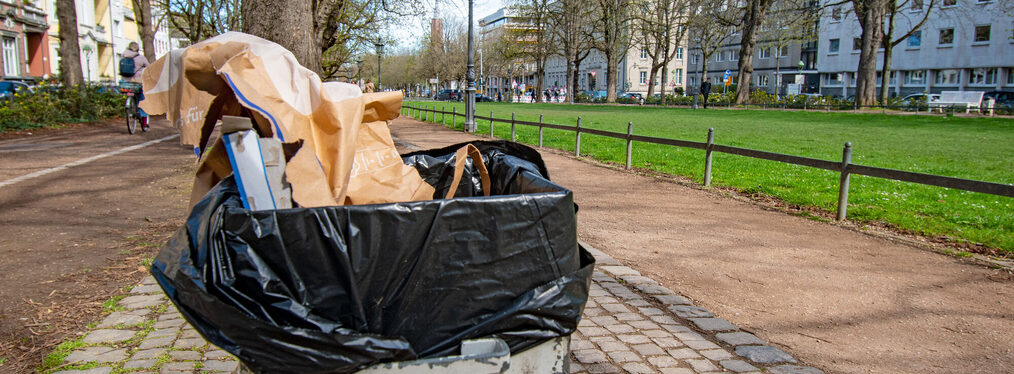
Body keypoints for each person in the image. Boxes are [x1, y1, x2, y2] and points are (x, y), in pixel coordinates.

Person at [121, 42, 150, 127]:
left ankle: (129, 106)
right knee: (142, 100)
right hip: (138, 82)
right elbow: (149, 68)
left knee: (129, 93)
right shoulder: (141, 58)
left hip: (125, 82)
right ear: (137, 49)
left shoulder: (123, 56)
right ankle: (144, 121)